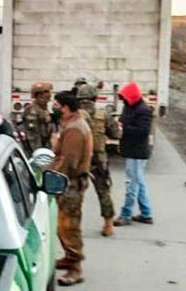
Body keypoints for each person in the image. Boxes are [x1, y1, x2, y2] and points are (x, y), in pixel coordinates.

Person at [49, 91, 93, 286]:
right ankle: (69, 257)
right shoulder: (71, 124)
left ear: (65, 108)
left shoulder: (75, 129)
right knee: (62, 224)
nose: (55, 109)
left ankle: (75, 267)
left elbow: (69, 163)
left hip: (70, 184)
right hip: (69, 182)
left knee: (68, 226)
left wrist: (51, 178)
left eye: (57, 105)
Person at [77, 85, 121, 237]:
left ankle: (73, 225)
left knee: (76, 192)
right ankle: (108, 225)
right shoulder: (104, 115)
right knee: (103, 191)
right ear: (95, 98)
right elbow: (116, 134)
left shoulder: (73, 114)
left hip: (79, 158)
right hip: (99, 159)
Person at [113, 82, 154, 227]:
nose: (123, 100)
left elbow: (143, 131)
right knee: (139, 183)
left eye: (125, 97)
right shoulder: (129, 106)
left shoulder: (143, 110)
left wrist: (124, 128)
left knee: (132, 184)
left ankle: (126, 215)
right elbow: (124, 120)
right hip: (132, 150)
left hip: (137, 152)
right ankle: (146, 213)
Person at [18, 82, 53, 153]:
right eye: (47, 94)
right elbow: (33, 136)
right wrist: (39, 154)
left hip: (45, 147)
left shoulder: (43, 109)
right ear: (39, 96)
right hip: (37, 150)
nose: (49, 97)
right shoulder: (32, 111)